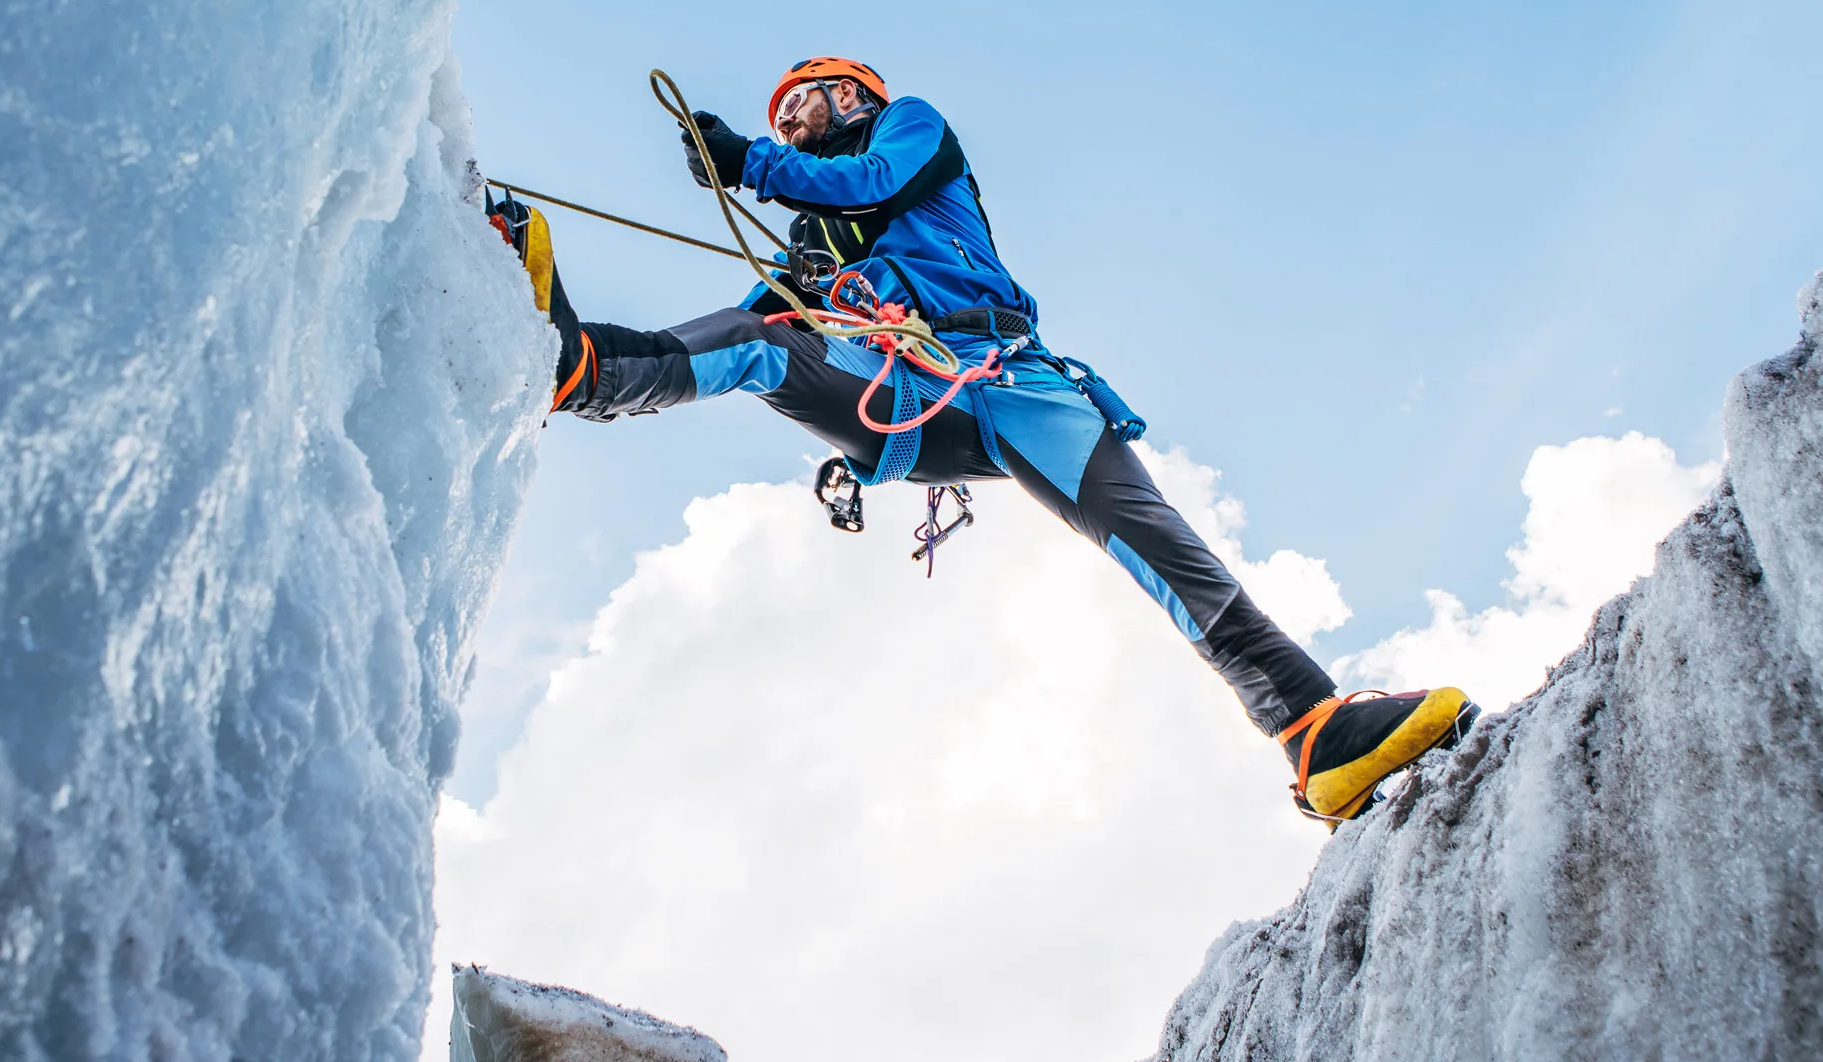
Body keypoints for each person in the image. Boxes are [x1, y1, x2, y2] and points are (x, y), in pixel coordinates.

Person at [515, 57, 1473, 826]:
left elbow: (871, 181)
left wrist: (750, 163)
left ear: (851, 93)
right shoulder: (819, 232)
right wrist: (769, 224)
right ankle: (584, 371)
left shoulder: (909, 128)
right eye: (779, 116)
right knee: (758, 342)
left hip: (1007, 380)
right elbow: (762, 306)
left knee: (1151, 537)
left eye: (798, 102)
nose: (785, 119)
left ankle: (1312, 730)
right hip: (917, 402)